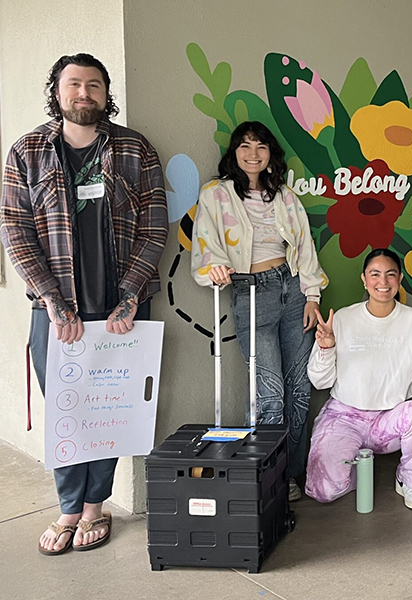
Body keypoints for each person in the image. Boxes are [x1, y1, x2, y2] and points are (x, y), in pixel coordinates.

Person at [0, 53, 168, 555]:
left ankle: (96, 507)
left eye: (94, 85)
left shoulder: (136, 149)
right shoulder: (27, 151)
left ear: (105, 92)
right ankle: (68, 507)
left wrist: (132, 295)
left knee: (110, 411)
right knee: (67, 411)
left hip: (123, 310)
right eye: (74, 84)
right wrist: (51, 300)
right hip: (57, 312)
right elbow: (16, 229)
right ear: (56, 90)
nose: (83, 94)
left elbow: (155, 226)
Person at [191, 121, 328, 503]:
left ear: (271, 154)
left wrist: (312, 295)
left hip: (293, 288)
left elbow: (304, 247)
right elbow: (206, 242)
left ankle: (293, 473)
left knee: (299, 390)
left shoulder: (284, 196)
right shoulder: (216, 195)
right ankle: (272, 475)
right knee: (269, 394)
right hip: (252, 292)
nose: (253, 154)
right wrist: (215, 267)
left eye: (261, 146)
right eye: (245, 146)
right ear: (234, 153)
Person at [305, 248, 412, 509]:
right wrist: (326, 348)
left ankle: (410, 480)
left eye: (390, 275)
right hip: (344, 416)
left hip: (390, 419)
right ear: (364, 279)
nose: (383, 283)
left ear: (400, 279)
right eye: (375, 274)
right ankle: (358, 470)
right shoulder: (343, 319)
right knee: (323, 491)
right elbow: (319, 382)